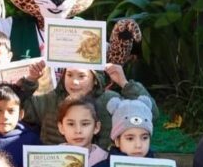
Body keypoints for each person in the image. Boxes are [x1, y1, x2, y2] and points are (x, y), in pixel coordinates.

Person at [21, 63, 155, 151]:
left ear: (94, 79)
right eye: (69, 75)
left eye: (81, 76)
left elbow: (149, 115)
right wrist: (30, 81)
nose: (74, 81)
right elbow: (16, 109)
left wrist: (124, 83)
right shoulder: (51, 99)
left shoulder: (109, 100)